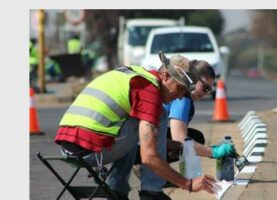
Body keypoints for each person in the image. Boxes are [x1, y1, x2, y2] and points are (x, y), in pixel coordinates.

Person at [54, 52, 217, 199]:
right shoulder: (149, 92)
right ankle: (151, 192)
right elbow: (149, 156)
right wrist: (188, 184)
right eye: (180, 89)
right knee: (159, 115)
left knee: (140, 121)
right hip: (89, 151)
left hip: (69, 147)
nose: (181, 97)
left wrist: (168, 145)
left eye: (185, 92)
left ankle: (118, 189)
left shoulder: (135, 74)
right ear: (165, 76)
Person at [136, 60, 238, 200]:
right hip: (142, 144)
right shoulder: (184, 99)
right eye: (205, 87)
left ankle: (156, 171)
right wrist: (214, 152)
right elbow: (180, 139)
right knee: (192, 140)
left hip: (138, 137)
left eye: (210, 89)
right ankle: (152, 175)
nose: (207, 93)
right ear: (193, 79)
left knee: (195, 137)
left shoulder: (181, 96)